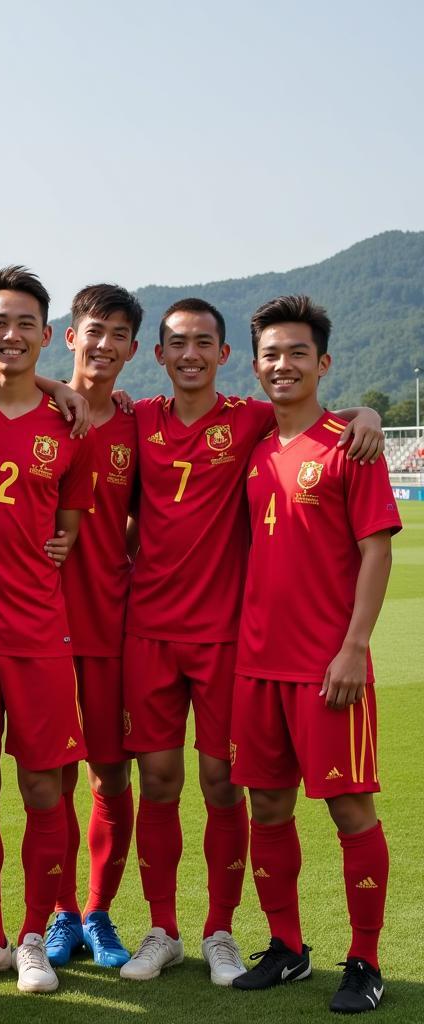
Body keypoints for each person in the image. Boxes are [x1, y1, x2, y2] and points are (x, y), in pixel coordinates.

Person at [119, 297, 385, 985]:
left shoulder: (258, 422)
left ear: (224, 354)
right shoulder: (160, 422)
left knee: (263, 794)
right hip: (220, 653)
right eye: (177, 342)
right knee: (219, 792)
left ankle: (343, 957)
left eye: (204, 342)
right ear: (159, 354)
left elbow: (373, 543)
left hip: (280, 653)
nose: (190, 354)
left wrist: (369, 413)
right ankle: (224, 938)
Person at [230, 295, 399, 1014]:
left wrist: (355, 646)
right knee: (267, 807)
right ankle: (288, 948)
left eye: (297, 352)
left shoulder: (350, 443)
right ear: (257, 363)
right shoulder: (256, 444)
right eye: (271, 353)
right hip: (256, 664)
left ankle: (364, 960)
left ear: (323, 363)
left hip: (326, 667)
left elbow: (375, 550)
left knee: (350, 812)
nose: (283, 364)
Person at [0, 265, 94, 994]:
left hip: (37, 637)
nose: (11, 334)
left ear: (46, 334)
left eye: (25, 323)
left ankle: (34, 935)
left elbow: (67, 527)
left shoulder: (69, 428)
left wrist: (62, 390)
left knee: (43, 791)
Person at [43, 284, 141, 970]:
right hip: (34, 628)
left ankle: (99, 912)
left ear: (135, 349)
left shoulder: (142, 424)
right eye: (91, 331)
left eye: (117, 334)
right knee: (48, 781)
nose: (102, 343)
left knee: (110, 776)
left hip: (110, 626)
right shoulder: (28, 406)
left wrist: (363, 408)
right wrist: (49, 382)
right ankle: (58, 915)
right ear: (68, 336)